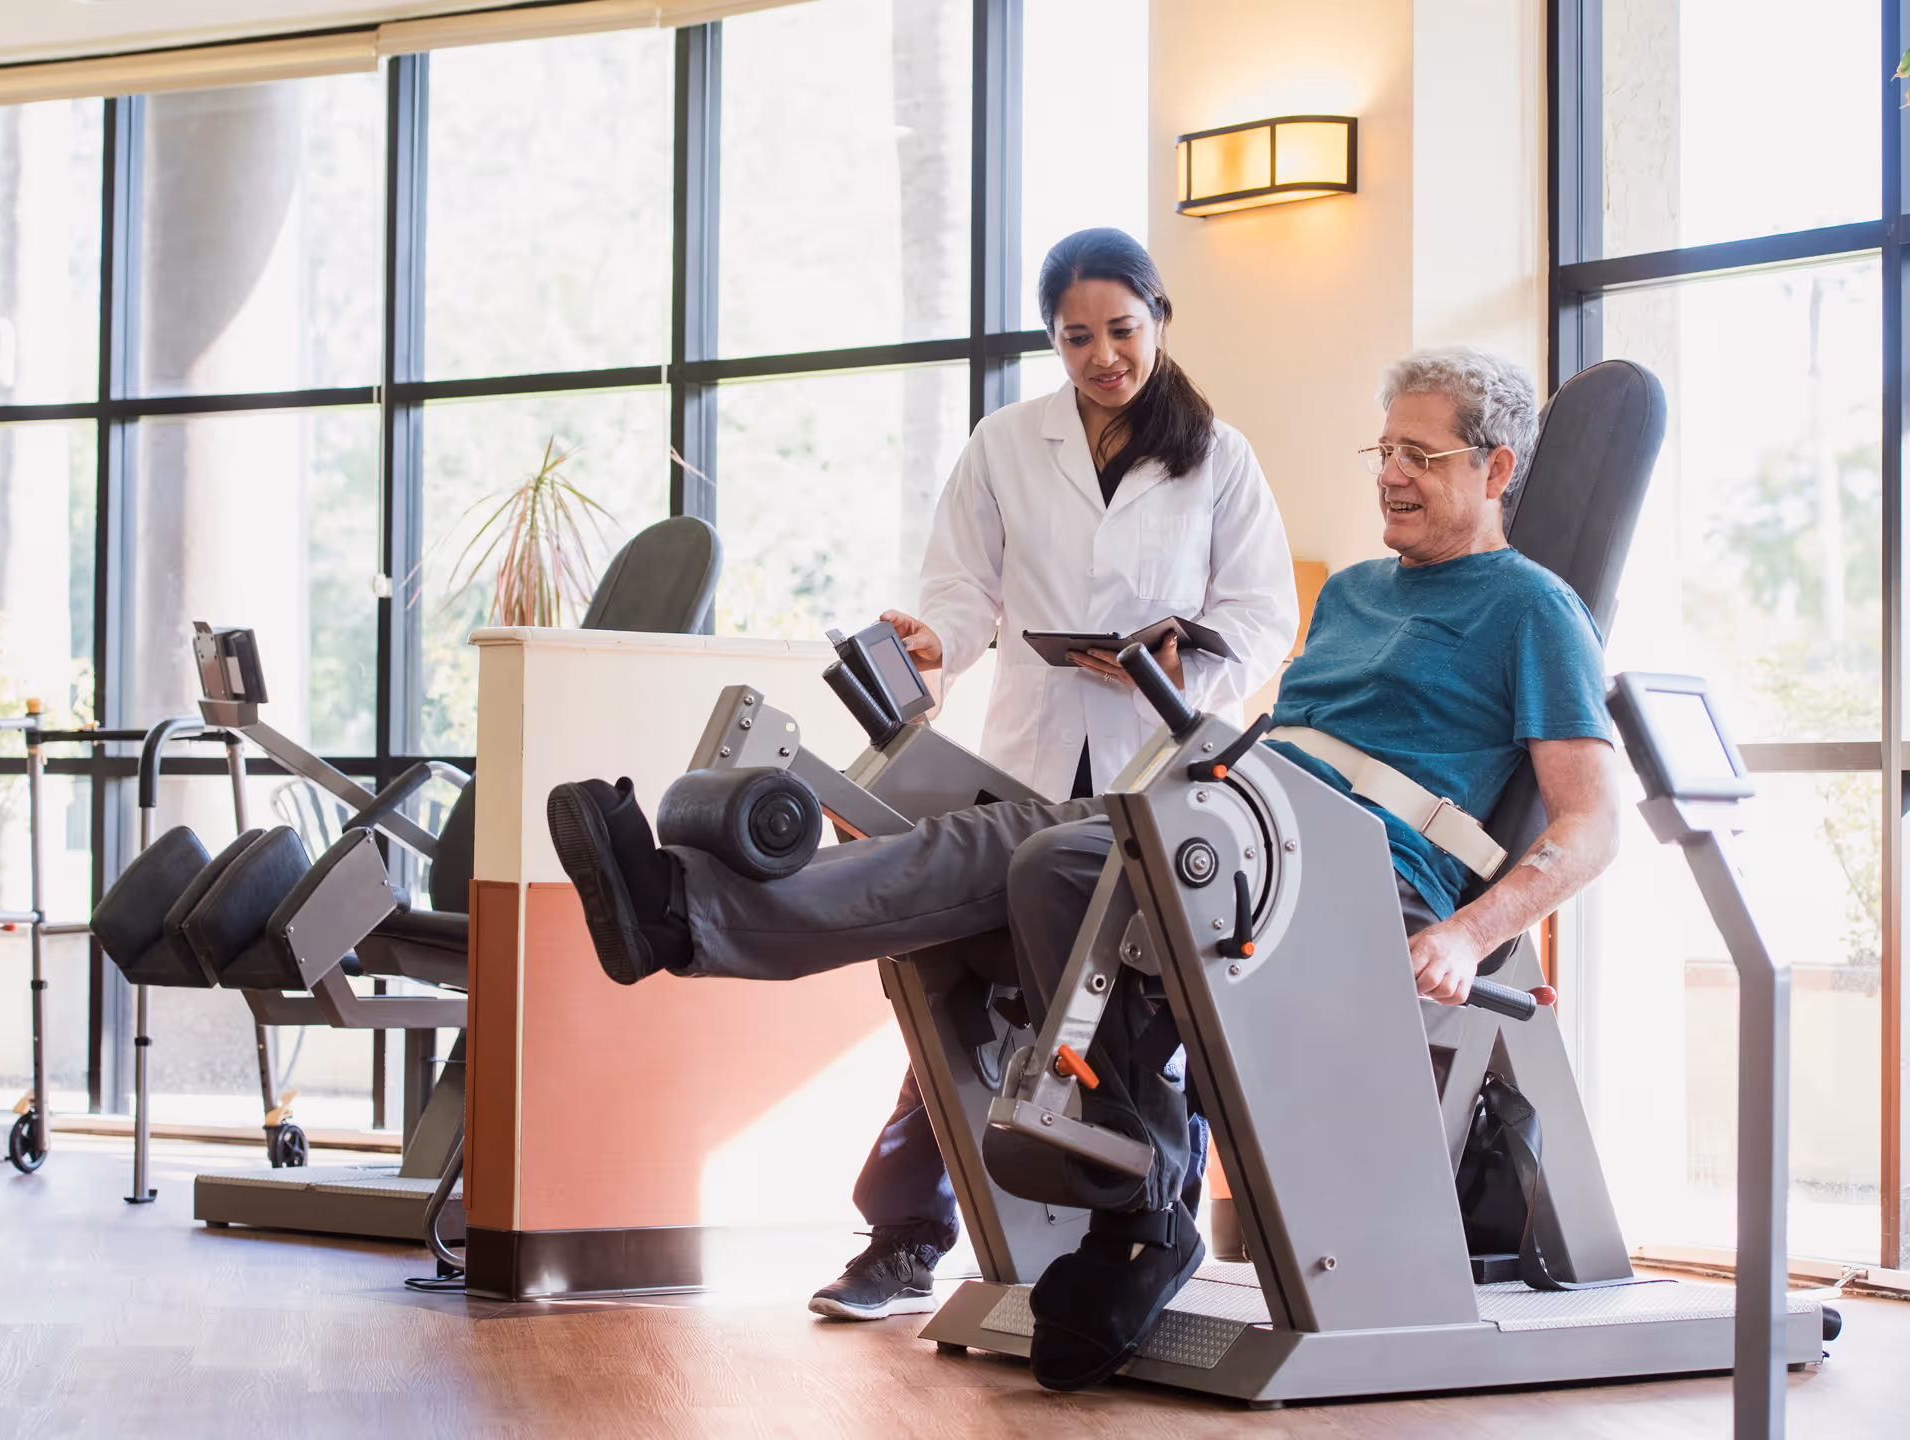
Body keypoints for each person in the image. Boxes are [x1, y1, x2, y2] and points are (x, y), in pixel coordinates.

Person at [543, 345, 1622, 1392]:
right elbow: (1280, 743)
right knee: (1003, 841)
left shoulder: (1532, 611)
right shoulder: (1351, 595)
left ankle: (1137, 1193)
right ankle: (686, 916)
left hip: (1351, 882)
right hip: (1239, 818)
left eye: (1421, 456)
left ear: (1494, 470)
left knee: (1059, 859)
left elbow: (1590, 825)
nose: (1390, 472)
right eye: (1383, 449)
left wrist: (1472, 934)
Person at [816, 228, 1298, 1322]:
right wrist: (933, 645)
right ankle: (903, 1238)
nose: (1102, 356)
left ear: (1159, 318)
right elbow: (959, 590)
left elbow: (1266, 616)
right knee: (954, 975)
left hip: (1159, 762)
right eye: (1076, 337)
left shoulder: (1218, 455)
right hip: (1034, 758)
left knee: (1149, 1009)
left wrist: (1190, 656)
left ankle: (1142, 1226)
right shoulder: (1007, 441)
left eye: (1121, 330)